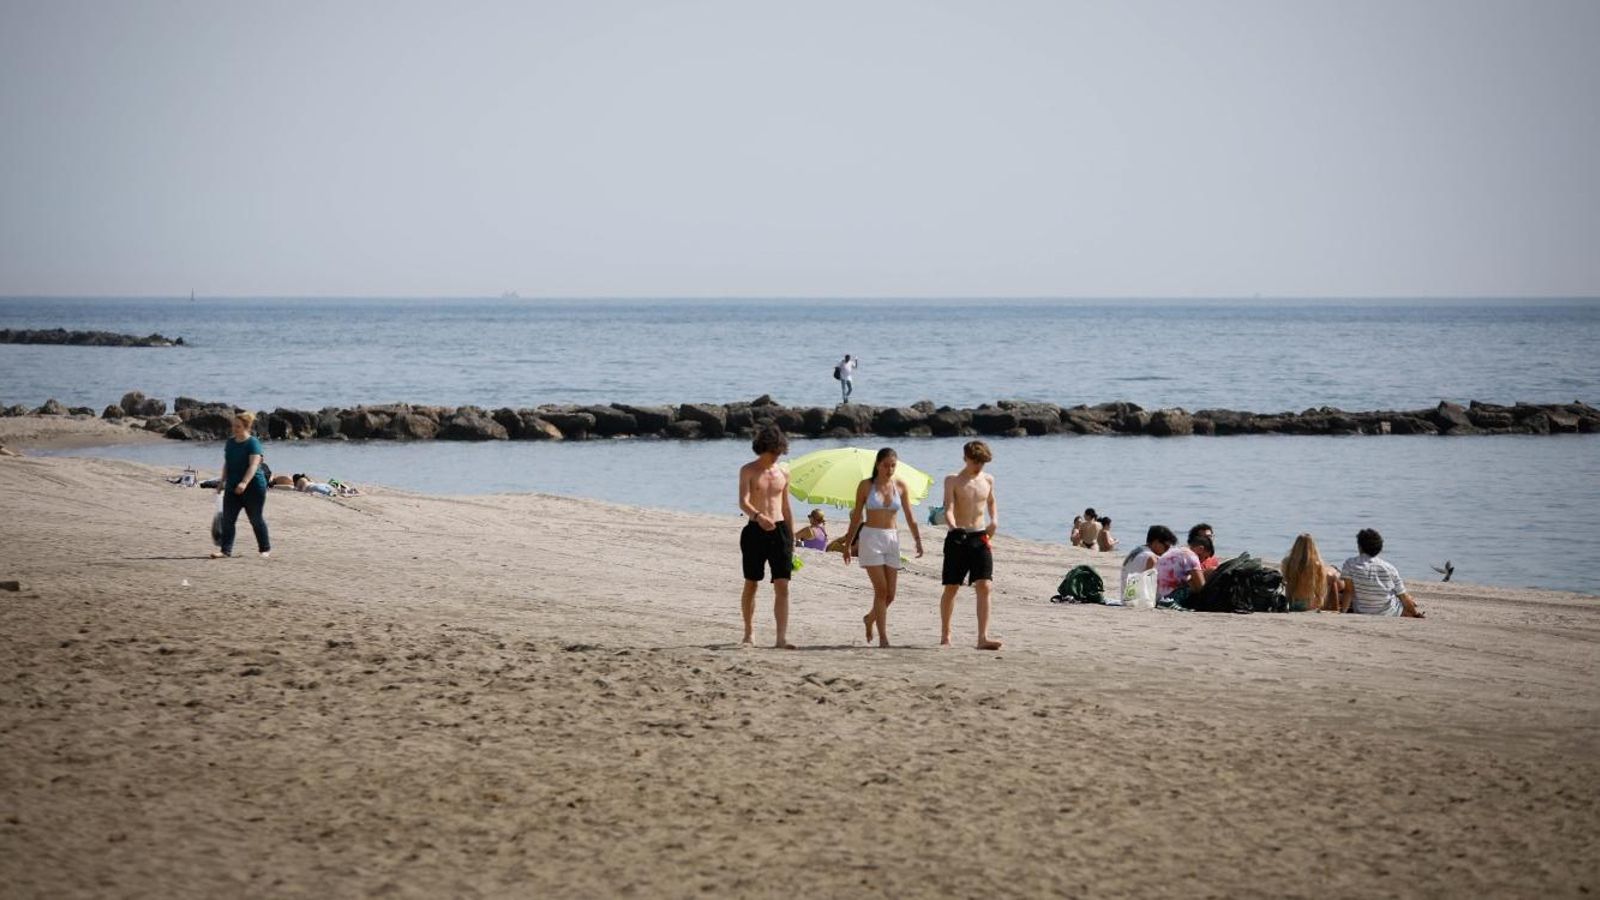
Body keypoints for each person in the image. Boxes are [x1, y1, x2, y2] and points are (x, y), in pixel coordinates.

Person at [843, 447, 924, 647]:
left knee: (891, 595)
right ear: (878, 464)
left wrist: (918, 539)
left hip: (892, 538)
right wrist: (847, 544)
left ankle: (870, 619)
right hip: (870, 538)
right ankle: (883, 638)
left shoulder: (900, 486)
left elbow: (910, 516)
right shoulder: (866, 486)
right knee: (880, 590)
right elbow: (856, 517)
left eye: (893, 466)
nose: (889, 469)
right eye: (886, 465)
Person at [938, 440, 1003, 650]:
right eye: (975, 462)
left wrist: (994, 521)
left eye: (982, 463)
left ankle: (982, 637)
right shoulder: (953, 480)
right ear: (965, 458)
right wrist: (953, 525)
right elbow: (948, 507)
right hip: (958, 537)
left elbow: (991, 502)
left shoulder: (988, 479)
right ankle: (946, 633)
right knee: (951, 587)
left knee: (985, 585)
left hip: (980, 536)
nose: (978, 467)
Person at [737, 425, 797, 648]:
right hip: (755, 530)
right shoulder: (748, 470)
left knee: (782, 585)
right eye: (773, 452)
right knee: (752, 582)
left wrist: (791, 538)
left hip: (780, 530)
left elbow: (787, 506)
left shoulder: (783, 472)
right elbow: (743, 501)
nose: (776, 456)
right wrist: (758, 516)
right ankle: (748, 632)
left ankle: (781, 638)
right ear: (763, 448)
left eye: (779, 452)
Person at [212, 411, 271, 559]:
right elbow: (228, 463)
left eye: (238, 426)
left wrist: (244, 483)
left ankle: (264, 548)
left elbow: (253, 465)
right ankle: (225, 551)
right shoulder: (230, 443)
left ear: (246, 427)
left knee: (255, 519)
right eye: (233, 426)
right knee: (228, 519)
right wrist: (222, 482)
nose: (234, 429)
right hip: (232, 486)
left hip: (254, 488)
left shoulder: (253, 443)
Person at [1340, 528, 1424, 618]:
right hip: (1388, 612)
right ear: (1380, 548)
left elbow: (1349, 591)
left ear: (1359, 547)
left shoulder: (1350, 564)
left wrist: (1343, 612)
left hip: (1362, 610)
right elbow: (1403, 596)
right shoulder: (1389, 568)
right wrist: (1415, 614)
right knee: (1405, 598)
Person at [1282, 533, 1345, 612]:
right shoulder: (1316, 565)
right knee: (1333, 582)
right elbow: (1330, 580)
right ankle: (1335, 609)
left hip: (1292, 603)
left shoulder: (1286, 562)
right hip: (1310, 605)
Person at [1156, 532, 1209, 605]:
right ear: (1201, 549)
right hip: (1171, 596)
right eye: (1205, 557)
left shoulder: (1173, 550)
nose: (1203, 561)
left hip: (1157, 594)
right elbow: (1201, 587)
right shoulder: (1192, 556)